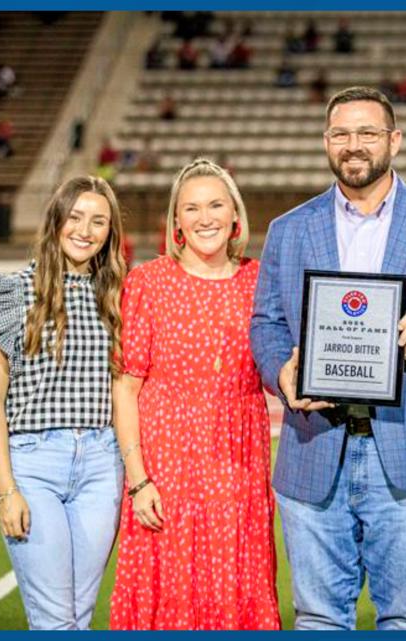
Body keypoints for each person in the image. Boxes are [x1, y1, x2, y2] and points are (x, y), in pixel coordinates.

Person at [250, 86, 406, 630]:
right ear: (326, 142)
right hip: (315, 442)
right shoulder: (290, 228)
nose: (354, 145)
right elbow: (267, 324)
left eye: (367, 133)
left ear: (394, 140)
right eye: (342, 134)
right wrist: (281, 370)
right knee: (318, 617)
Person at [109, 159, 281, 630]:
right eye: (191, 208)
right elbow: (125, 386)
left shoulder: (260, 280)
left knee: (235, 580)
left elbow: (283, 362)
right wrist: (138, 479)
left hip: (238, 461)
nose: (205, 217)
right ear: (177, 222)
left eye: (215, 205)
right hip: (166, 464)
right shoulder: (148, 282)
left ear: (235, 216)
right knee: (168, 585)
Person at [0, 176, 128, 629]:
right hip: (33, 465)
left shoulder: (118, 295)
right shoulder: (13, 293)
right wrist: (6, 489)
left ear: (110, 231)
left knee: (78, 613)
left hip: (101, 464)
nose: (85, 230)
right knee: (54, 619)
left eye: (99, 221)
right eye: (75, 217)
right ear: (55, 220)